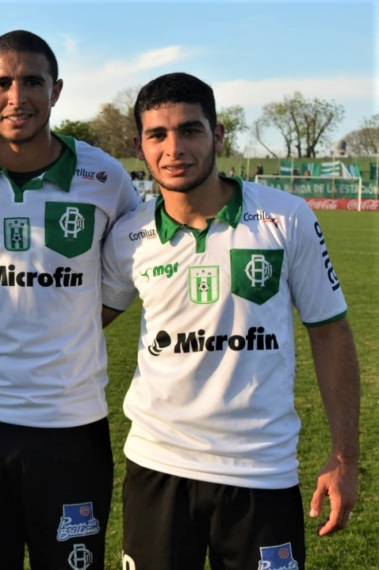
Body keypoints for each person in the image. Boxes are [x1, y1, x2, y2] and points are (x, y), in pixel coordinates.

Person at [101, 72, 359, 570]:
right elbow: (85, 321)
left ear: (218, 136)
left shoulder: (287, 218)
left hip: (261, 471)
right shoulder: (128, 237)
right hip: (158, 467)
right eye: (157, 135)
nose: (174, 148)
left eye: (190, 131)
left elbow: (330, 332)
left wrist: (344, 457)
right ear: (139, 145)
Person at [0, 30, 141, 569]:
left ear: (57, 90)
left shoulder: (106, 178)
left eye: (32, 82)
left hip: (71, 426)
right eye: (2, 82)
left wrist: (72, 322)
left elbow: (131, 267)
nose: (16, 96)